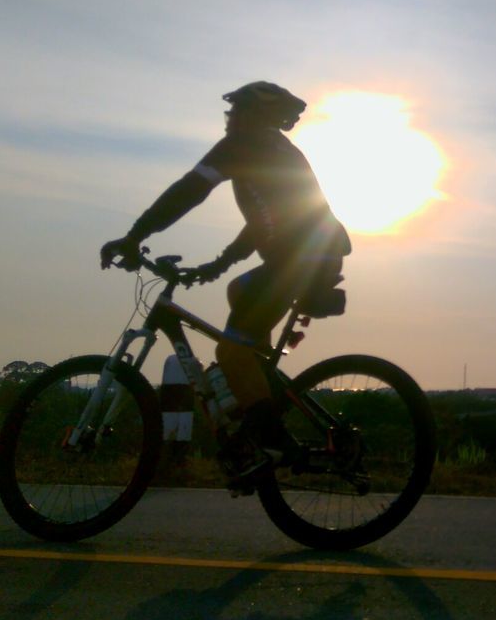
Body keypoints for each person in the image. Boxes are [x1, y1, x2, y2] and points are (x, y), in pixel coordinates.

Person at [100, 81, 351, 492]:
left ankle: (269, 444)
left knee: (230, 350)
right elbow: (264, 222)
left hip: (301, 261)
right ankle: (260, 395)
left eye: (235, 111)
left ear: (254, 116)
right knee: (238, 292)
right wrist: (219, 264)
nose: (228, 119)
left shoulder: (245, 145)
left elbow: (188, 192)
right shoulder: (270, 150)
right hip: (305, 259)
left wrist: (134, 235)